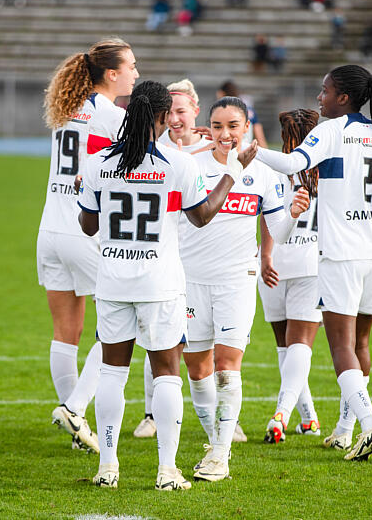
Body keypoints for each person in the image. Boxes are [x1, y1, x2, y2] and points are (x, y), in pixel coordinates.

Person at [75, 80, 257, 490]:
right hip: (160, 283)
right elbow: (202, 215)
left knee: (111, 374)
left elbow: (88, 226)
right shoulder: (177, 164)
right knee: (167, 375)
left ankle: (107, 468)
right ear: (161, 117)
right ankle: (166, 470)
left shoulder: (98, 163)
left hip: (113, 280)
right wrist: (231, 173)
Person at [254, 64, 372, 461]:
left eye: (324, 91)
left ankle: (371, 427)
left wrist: (253, 152)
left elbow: (293, 165)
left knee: (341, 346)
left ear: (343, 98)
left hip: (342, 255)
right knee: (361, 342)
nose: (319, 98)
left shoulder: (331, 130)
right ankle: (345, 430)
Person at [180, 97, 310, 483]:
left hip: (237, 278)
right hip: (189, 280)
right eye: (217, 125)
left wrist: (294, 214)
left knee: (226, 366)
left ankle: (220, 455)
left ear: (247, 126)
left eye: (233, 126)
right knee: (197, 368)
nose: (225, 134)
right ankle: (214, 440)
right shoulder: (193, 166)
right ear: (209, 127)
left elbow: (279, 231)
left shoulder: (265, 174)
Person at [43, 39, 139, 453]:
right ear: (111, 73)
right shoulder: (109, 117)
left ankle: (74, 421)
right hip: (87, 232)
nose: (136, 72)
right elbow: (140, 158)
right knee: (120, 326)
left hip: (50, 232)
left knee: (67, 331)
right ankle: (77, 408)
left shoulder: (68, 109)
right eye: (131, 66)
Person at [133, 77, 210, 440]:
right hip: (164, 264)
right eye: (172, 112)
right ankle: (151, 415)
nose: (177, 119)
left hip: (206, 263)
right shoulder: (160, 153)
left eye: (183, 111)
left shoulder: (215, 147)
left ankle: (223, 419)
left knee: (207, 348)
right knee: (162, 346)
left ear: (195, 110)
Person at [259, 108, 323, 444]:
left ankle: (309, 419)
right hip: (312, 264)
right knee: (301, 345)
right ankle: (282, 414)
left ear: (283, 135)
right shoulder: (326, 170)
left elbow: (264, 215)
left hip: (272, 264)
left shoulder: (272, 168)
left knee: (285, 345)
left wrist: (265, 255)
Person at [216, 80, 268, 148]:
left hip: (230, 149)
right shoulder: (249, 110)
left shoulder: (222, 111)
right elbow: (260, 138)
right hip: (246, 148)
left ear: (222, 93)